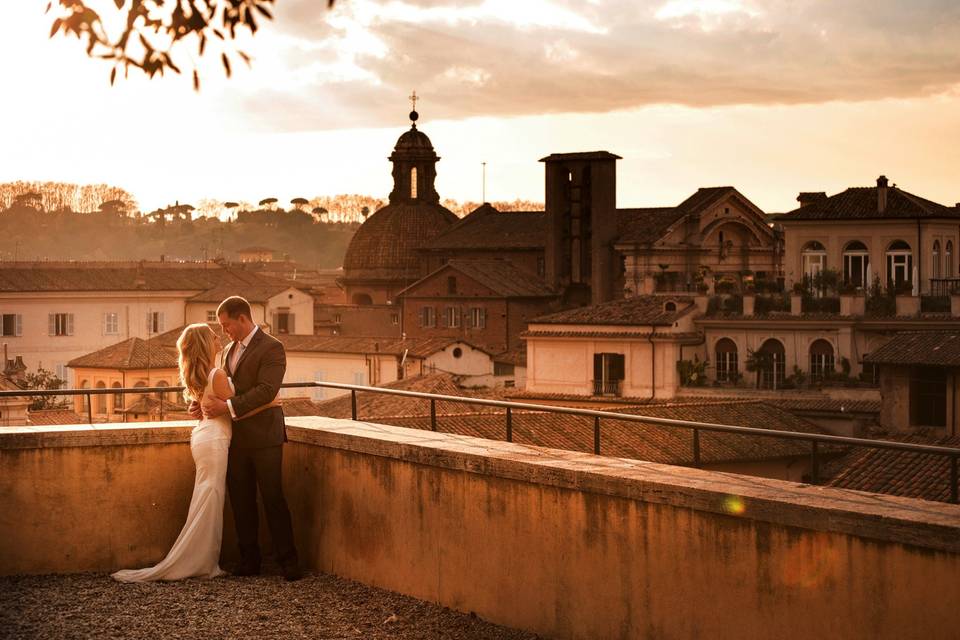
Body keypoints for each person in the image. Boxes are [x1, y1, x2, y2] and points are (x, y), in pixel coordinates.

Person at [112, 323, 234, 582]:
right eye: (213, 336)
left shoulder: (200, 375)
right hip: (214, 439)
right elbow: (239, 407)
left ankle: (201, 559)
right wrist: (272, 400)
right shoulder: (217, 374)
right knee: (211, 496)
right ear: (205, 343)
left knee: (207, 495)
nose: (218, 337)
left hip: (204, 436)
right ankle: (201, 562)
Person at [200, 296, 301, 581]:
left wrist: (228, 408)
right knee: (241, 499)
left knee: (273, 498)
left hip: (265, 436)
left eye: (227, 325)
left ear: (242, 318)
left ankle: (288, 562)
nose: (224, 331)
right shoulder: (228, 351)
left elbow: (267, 389)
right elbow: (224, 388)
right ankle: (249, 561)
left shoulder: (272, 347)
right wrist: (205, 403)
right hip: (235, 438)